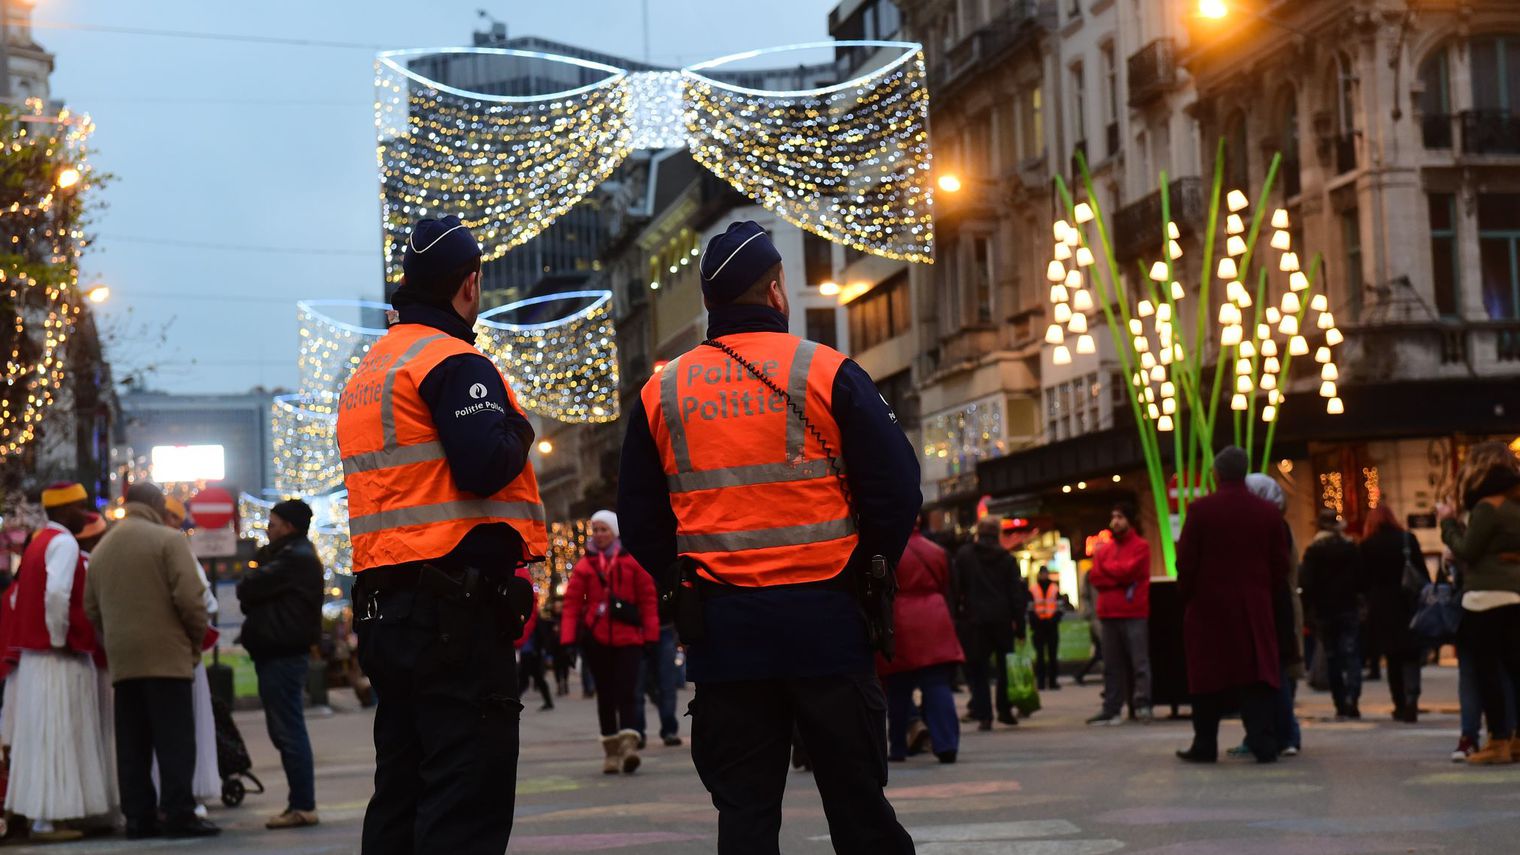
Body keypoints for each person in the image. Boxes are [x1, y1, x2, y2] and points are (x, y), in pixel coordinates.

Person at [618, 221, 920, 855]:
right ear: (777, 291)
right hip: (828, 624)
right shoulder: (826, 370)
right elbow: (897, 488)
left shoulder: (662, 390)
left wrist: (680, 583)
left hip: (726, 635)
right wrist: (869, 567)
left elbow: (639, 517)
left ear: (708, 303)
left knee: (746, 815)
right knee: (860, 809)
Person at [337, 215, 543, 854]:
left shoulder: (369, 372)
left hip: (386, 608)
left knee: (400, 791)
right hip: (455, 614)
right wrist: (519, 425)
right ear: (469, 284)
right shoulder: (454, 362)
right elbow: (485, 463)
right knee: (465, 798)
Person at [84, 482, 217, 838]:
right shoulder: (168, 541)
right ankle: (179, 814)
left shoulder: (102, 549)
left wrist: (115, 639)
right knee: (174, 741)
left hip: (124, 662)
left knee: (133, 744)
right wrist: (190, 642)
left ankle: (138, 818)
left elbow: (91, 609)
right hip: (167, 657)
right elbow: (192, 600)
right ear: (157, 504)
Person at [0, 483, 114, 842]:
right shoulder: (63, 543)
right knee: (61, 731)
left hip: (37, 658)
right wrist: (60, 637)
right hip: (58, 656)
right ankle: (53, 817)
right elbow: (57, 594)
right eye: (81, 508)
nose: (85, 515)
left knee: (41, 735)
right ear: (65, 510)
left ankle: (45, 814)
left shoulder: (39, 543)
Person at [1175, 447, 1289, 764]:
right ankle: (1263, 743)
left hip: (1209, 608)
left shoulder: (1201, 510)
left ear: (1217, 473)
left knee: (1207, 677)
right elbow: (1281, 564)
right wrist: (1265, 591)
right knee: (1255, 676)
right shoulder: (1267, 513)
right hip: (1254, 607)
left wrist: (1187, 596)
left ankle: (1205, 743)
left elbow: (1186, 561)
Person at [237, 499, 324, 830]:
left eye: (272, 523)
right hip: (276, 651)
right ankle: (300, 803)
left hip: (283, 653)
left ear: (288, 526)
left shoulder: (294, 557)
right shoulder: (287, 554)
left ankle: (302, 805)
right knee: (285, 729)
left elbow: (248, 585)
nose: (267, 529)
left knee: (288, 730)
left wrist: (253, 575)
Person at [1439, 440, 1520, 765]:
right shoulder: (1516, 507)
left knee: (1485, 671)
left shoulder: (1488, 507)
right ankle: (1515, 740)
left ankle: (1498, 740)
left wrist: (1447, 525)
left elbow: (1468, 549)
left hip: (1483, 598)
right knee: (1515, 670)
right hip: (1515, 594)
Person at [561, 510, 659, 773]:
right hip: (597, 638)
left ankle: (628, 747)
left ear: (614, 532)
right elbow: (571, 605)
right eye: (596, 530)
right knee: (605, 695)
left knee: (628, 692)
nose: (599, 534)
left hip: (629, 636)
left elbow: (648, 600)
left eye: (604, 529)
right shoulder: (585, 566)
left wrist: (651, 636)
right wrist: (568, 640)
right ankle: (611, 752)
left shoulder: (632, 563)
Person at [150, 497, 221, 815]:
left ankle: (155, 796)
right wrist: (193, 638)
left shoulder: (126, 545)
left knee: (147, 732)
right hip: (180, 652)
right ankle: (185, 795)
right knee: (183, 727)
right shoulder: (175, 547)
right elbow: (204, 602)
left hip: (140, 655)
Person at [880, 521, 964, 763]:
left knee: (898, 689)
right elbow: (950, 588)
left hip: (901, 619)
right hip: (935, 619)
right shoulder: (937, 551)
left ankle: (898, 746)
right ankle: (946, 744)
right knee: (937, 686)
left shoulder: (888, 551)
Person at [1232, 473, 1303, 758]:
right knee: (1276, 671)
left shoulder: (1271, 526)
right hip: (1278, 606)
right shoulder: (1277, 524)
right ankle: (1280, 734)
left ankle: (1283, 734)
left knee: (1274, 672)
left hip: (1272, 607)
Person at [953, 517, 1028, 731]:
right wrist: (1020, 626)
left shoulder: (965, 555)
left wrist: (958, 615)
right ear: (998, 534)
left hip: (974, 620)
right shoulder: (1006, 559)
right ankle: (1004, 710)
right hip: (1002, 619)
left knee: (978, 670)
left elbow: (957, 587)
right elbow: (1016, 595)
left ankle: (984, 715)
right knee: (1005, 667)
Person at [1086, 502, 1153, 725]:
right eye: (1114, 516)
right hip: (1110, 614)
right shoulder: (1105, 549)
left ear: (1130, 520)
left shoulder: (1140, 547)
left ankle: (1142, 704)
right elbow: (1096, 578)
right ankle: (1112, 707)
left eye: (1120, 517)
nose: (1115, 521)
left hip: (1133, 612)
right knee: (1112, 665)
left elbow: (1129, 572)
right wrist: (1118, 575)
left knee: (1138, 662)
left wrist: (1109, 571)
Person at [1361, 504, 1427, 723]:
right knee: (1411, 655)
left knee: (1392, 657)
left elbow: (1361, 581)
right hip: (1407, 603)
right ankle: (1412, 700)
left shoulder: (1368, 545)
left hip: (1382, 606)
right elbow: (1422, 573)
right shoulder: (1408, 539)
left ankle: (1399, 704)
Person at [1300, 507, 1366, 720]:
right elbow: (1361, 578)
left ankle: (1340, 701)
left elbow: (1307, 584)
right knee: (1351, 653)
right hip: (1348, 606)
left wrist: (1308, 610)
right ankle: (1353, 697)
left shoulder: (1314, 551)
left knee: (1332, 657)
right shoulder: (1350, 548)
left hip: (1325, 610)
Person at [632, 576, 683, 748]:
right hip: (641, 630)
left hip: (663, 628)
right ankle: (639, 731)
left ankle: (667, 729)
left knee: (665, 684)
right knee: (639, 687)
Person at [1028, 566, 1062, 691]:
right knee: (1040, 656)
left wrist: (1053, 620)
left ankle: (1052, 681)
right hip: (1039, 628)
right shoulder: (1033, 589)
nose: (1044, 575)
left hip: (1051, 627)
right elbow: (1030, 609)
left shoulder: (1054, 588)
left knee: (1052, 656)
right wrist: (1036, 622)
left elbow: (1060, 608)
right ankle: (1041, 682)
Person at [518, 605, 556, 712]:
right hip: (526, 653)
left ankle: (515, 700)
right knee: (526, 679)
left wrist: (546, 654)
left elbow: (544, 638)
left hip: (533, 654)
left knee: (532, 679)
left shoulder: (537, 622)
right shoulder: (524, 621)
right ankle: (548, 702)